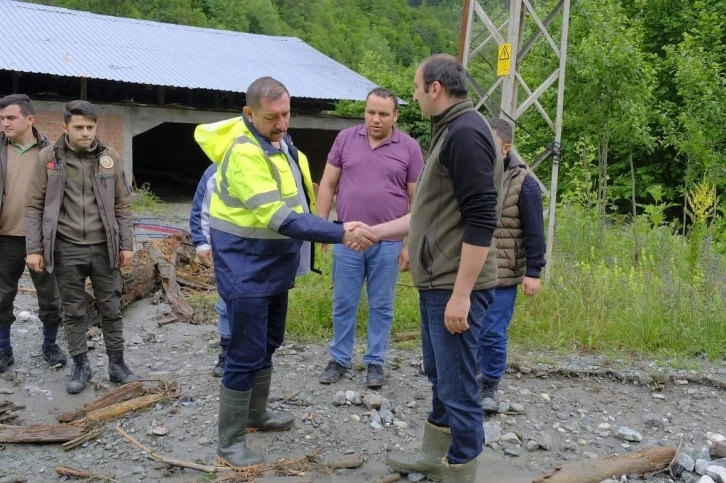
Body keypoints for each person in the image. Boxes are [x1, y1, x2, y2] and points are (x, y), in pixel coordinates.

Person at [193, 76, 378, 469]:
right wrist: (339, 231)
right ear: (248, 113)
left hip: (273, 266)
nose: (281, 123)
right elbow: (281, 218)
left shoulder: (282, 145)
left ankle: (256, 414)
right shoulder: (243, 153)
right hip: (245, 268)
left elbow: (299, 201)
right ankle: (230, 442)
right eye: (271, 116)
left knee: (268, 342)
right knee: (243, 354)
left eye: (286, 114)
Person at [370, 54, 504, 482]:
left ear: (435, 89)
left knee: (460, 381)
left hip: (454, 283)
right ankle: (435, 455)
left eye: (415, 87)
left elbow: (483, 217)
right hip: (439, 279)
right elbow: (427, 215)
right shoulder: (448, 131)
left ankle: (461, 469)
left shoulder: (465, 134)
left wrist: (462, 294)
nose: (412, 95)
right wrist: (373, 231)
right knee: (441, 374)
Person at [26, 100, 138, 394]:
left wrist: (127, 244)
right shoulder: (48, 159)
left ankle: (117, 364)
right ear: (65, 127)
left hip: (105, 247)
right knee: (73, 311)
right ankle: (80, 364)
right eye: (79, 127)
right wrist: (34, 248)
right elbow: (34, 206)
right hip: (66, 248)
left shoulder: (109, 158)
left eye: (90, 127)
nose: (85, 133)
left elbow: (122, 206)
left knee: (112, 306)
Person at [316, 87, 424, 388]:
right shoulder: (345, 139)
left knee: (382, 304)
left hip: (388, 242)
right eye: (371, 112)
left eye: (383, 114)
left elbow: (418, 201)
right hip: (348, 237)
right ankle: (339, 358)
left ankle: (375, 361)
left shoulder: (410, 148)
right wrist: (322, 227)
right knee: (343, 301)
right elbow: (327, 184)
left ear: (395, 116)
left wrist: (408, 244)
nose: (375, 119)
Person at [478, 118, 545, 406]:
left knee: (492, 333)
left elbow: (534, 231)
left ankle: (490, 384)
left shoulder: (525, 184)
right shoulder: (473, 174)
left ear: (506, 148)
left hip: (503, 275)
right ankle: (469, 381)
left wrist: (534, 271)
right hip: (469, 271)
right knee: (468, 329)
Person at [0, 94, 66, 373]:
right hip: (5, 237)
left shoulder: (51, 154)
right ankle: (4, 350)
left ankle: (50, 344)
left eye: (11, 118)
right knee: (2, 295)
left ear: (30, 120)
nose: (5, 123)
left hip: (42, 239)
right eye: (2, 118)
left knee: (50, 295)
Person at [189, 163, 230, 377]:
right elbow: (201, 208)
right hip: (227, 249)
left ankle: (256, 354)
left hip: (262, 248)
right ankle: (226, 352)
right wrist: (202, 243)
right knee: (226, 302)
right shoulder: (216, 170)